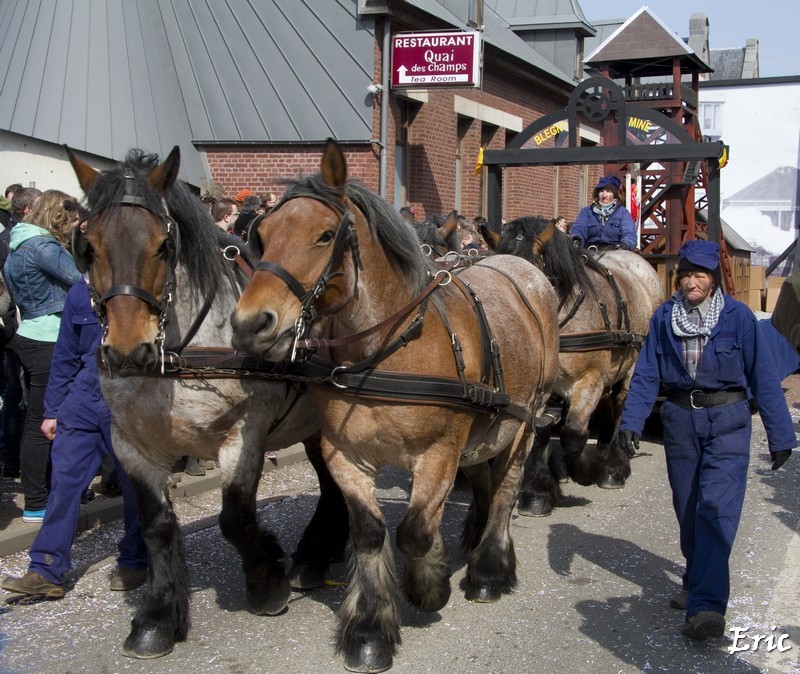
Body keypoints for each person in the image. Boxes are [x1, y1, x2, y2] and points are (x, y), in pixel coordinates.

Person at [618, 240, 795, 641]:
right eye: (686, 275)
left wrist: (780, 435)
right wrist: (631, 423)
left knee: (716, 509)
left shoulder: (738, 317)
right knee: (688, 508)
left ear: (713, 280)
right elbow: (646, 374)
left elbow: (763, 376)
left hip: (728, 421)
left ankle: (706, 606)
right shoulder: (665, 318)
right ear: (677, 279)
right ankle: (696, 578)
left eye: (700, 275)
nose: (692, 282)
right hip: (680, 421)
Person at [1, 279, 148, 598]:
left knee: (134, 485)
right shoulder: (80, 292)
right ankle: (46, 569)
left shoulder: (142, 282)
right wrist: (53, 409)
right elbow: (65, 353)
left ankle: (135, 558)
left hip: (130, 395)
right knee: (64, 483)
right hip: (84, 397)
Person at [2, 190, 83, 522]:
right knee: (44, 422)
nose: (74, 225)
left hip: (31, 334)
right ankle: (37, 501)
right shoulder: (44, 247)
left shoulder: (18, 244)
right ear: (58, 217)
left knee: (37, 420)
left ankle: (44, 494)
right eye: (71, 220)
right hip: (49, 339)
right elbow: (81, 281)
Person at [571, 176, 637, 250]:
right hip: (590, 251)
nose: (604, 195)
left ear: (615, 194)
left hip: (615, 251)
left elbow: (629, 234)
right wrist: (577, 240)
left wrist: (624, 245)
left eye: (608, 191)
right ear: (597, 193)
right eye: (601, 191)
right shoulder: (586, 212)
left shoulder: (623, 213)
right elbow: (579, 229)